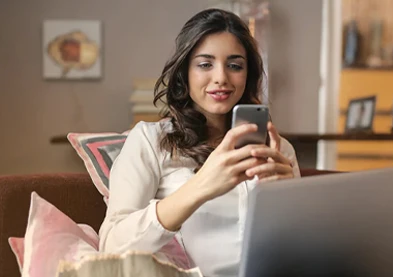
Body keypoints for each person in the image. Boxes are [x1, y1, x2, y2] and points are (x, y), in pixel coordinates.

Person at [98, 8, 301, 276]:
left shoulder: (278, 149)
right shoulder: (150, 141)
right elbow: (111, 247)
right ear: (185, 72)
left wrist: (291, 203)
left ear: (247, 74)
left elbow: (302, 248)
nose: (221, 78)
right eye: (205, 64)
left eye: (235, 65)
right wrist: (202, 185)